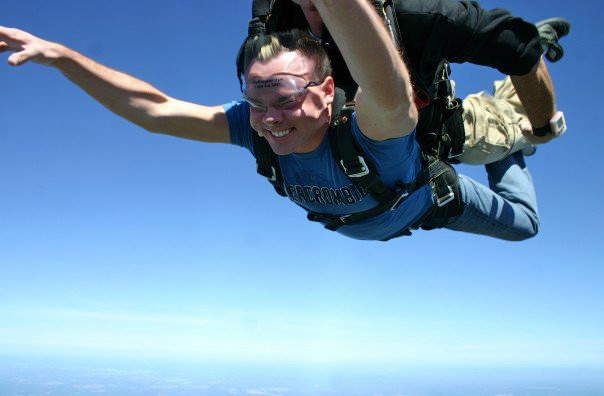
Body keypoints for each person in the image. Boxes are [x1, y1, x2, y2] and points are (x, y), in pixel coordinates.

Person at [0, 0, 539, 241]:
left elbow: (388, 88)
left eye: (284, 97)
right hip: (378, 220)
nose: (271, 118)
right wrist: (64, 58)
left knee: (525, 226)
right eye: (255, 99)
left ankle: (507, 141)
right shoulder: (253, 127)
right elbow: (155, 110)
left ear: (328, 92)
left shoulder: (372, 135)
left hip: (432, 206)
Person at [239, 0, 570, 164]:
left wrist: (543, 127)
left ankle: (541, 44)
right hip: (357, 144)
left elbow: (517, 48)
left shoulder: (420, 14)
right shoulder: (273, 16)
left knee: (519, 129)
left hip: (443, 131)